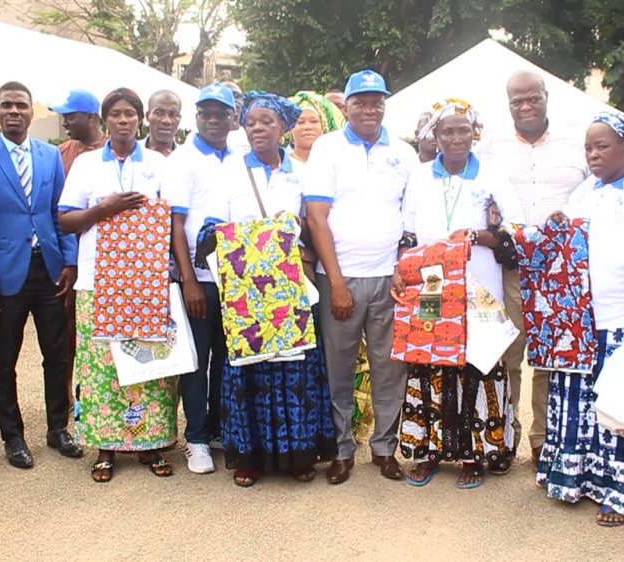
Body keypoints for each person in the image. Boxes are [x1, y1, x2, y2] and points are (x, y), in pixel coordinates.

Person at [537, 112, 624, 526]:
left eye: (602, 146)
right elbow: (567, 243)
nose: (594, 154)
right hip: (581, 321)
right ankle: (576, 481)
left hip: (622, 319)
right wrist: (557, 223)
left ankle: (618, 493)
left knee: (616, 409)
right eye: (588, 147)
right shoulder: (585, 191)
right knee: (577, 407)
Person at [194, 91, 337, 487]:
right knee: (248, 373)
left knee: (296, 371)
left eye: (267, 121)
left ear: (285, 128)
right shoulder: (228, 172)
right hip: (245, 294)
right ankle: (249, 458)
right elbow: (208, 233)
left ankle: (299, 455)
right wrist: (257, 233)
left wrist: (294, 226)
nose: (258, 128)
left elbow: (317, 226)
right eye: (251, 122)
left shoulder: (303, 173)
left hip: (292, 290)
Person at [394, 99, 522, 488]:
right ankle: (430, 451)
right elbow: (408, 233)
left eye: (462, 130)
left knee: (476, 365)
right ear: (435, 135)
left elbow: (516, 226)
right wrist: (401, 271)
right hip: (431, 285)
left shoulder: (492, 174)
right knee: (431, 361)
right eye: (447, 131)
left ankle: (473, 454)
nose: (455, 138)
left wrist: (480, 235)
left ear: (474, 134)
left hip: (479, 285)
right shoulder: (419, 176)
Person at [58, 88, 179, 483]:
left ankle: (153, 444)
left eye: (130, 114)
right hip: (97, 281)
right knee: (100, 368)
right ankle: (105, 448)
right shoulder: (87, 164)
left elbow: (172, 219)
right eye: (116, 114)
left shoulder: (160, 165)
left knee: (150, 367)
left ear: (140, 120)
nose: (123, 120)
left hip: (146, 282)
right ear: (104, 120)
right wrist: (102, 210)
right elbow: (66, 220)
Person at [305, 70, 418, 484]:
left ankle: (385, 449)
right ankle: (341, 450)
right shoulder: (327, 149)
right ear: (346, 106)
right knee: (339, 367)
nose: (369, 109)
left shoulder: (403, 153)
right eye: (361, 102)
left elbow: (411, 218)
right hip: (341, 277)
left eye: (377, 101)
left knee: (391, 367)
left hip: (390, 280)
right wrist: (335, 281)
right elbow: (317, 218)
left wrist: (400, 267)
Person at [0, 81, 80, 469]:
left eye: (21, 105)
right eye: (7, 105)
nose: (14, 111)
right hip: (3, 273)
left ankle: (57, 428)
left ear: (33, 111)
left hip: (48, 269)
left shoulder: (49, 157)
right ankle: (12, 436)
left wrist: (69, 262)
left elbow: (60, 215)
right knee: (5, 359)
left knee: (57, 354)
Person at [475, 70, 588, 466]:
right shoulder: (491, 147)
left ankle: (544, 441)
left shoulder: (577, 144)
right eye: (516, 101)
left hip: (564, 273)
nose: (525, 106)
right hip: (512, 266)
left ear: (546, 96)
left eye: (532, 98)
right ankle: (506, 437)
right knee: (510, 355)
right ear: (508, 104)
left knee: (551, 359)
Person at [161, 83, 239, 474]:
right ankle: (195, 438)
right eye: (206, 113)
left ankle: (218, 428)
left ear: (232, 118)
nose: (213, 119)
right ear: (196, 117)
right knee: (197, 360)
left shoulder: (240, 157)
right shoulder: (183, 159)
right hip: (200, 279)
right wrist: (188, 280)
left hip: (238, 278)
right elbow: (176, 224)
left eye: (221, 113)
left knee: (228, 358)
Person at [51, 89, 105, 412]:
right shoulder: (61, 153)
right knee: (68, 330)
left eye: (71, 115)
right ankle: (68, 393)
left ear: (92, 118)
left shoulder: (110, 154)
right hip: (69, 260)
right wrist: (68, 261)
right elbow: (58, 212)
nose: (65, 121)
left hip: (102, 261)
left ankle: (96, 393)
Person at [51, 89, 105, 175]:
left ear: (91, 118)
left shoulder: (115, 150)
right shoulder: (61, 151)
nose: (64, 123)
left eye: (70, 117)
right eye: (63, 117)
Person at [287, 91, 345, 165]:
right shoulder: (279, 163)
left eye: (314, 121)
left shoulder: (337, 162)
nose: (308, 127)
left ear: (324, 126)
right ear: (290, 128)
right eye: (300, 122)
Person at [144, 89, 182, 157]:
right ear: (147, 116)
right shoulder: (130, 154)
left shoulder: (188, 159)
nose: (167, 121)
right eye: (159, 113)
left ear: (179, 119)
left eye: (173, 114)